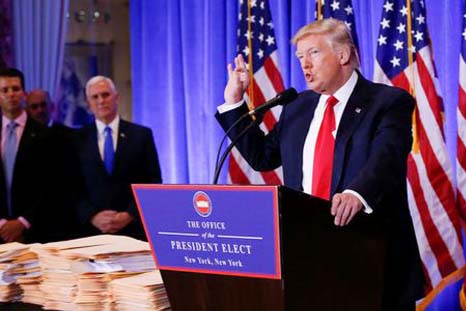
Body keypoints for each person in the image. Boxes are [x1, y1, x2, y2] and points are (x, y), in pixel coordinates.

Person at [216, 19, 424, 310]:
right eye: (300, 57)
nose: (304, 64)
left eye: (313, 53)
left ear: (343, 55)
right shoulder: (297, 107)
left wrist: (357, 193)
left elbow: (387, 156)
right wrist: (234, 101)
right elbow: (262, 156)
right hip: (308, 259)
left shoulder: (388, 101)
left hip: (370, 258)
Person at [75, 75, 162, 240]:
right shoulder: (76, 139)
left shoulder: (141, 135)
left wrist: (129, 214)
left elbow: (153, 181)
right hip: (91, 233)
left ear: (117, 98)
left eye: (106, 95)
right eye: (95, 97)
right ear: (88, 104)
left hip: (133, 231)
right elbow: (71, 186)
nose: (101, 100)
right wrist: (92, 216)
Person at [0, 68, 49, 243]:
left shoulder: (45, 135)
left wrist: (22, 222)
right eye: (4, 90)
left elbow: (51, 184)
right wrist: (3, 224)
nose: (10, 94)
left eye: (15, 89)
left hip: (35, 232)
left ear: (24, 94)